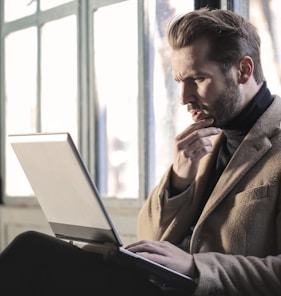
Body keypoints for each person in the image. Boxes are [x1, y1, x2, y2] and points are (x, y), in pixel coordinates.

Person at [1, 7, 281, 296]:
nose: (184, 98)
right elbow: (148, 237)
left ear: (244, 70)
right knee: (34, 253)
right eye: (179, 82)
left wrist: (196, 267)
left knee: (32, 254)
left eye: (197, 79)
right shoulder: (205, 141)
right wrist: (179, 180)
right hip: (154, 286)